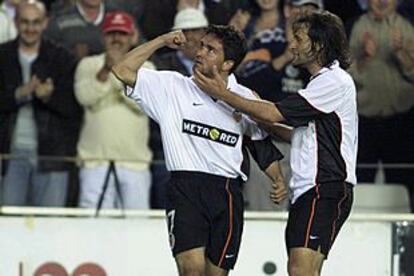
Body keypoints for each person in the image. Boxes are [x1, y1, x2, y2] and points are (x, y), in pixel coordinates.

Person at [112, 25, 287, 275]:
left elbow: (258, 142)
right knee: (191, 270)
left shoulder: (244, 96)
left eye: (210, 49)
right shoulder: (172, 86)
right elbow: (122, 70)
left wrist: (277, 178)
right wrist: (160, 39)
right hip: (185, 188)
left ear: (227, 64)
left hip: (227, 191)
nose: (200, 52)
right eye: (202, 45)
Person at [193, 11, 357, 276]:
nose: (291, 45)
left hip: (325, 186)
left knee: (300, 269)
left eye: (298, 38)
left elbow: (272, 113)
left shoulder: (333, 82)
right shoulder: (321, 83)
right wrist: (259, 117)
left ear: (319, 45)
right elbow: (297, 134)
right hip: (309, 189)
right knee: (302, 270)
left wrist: (223, 94)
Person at [0, 0, 81, 206]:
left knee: (51, 224)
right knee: (9, 224)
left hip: (52, 157)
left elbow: (74, 107)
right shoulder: (2, 56)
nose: (30, 28)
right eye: (25, 22)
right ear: (16, 23)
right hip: (9, 157)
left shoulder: (62, 58)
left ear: (45, 23)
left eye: (36, 22)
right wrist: (20, 93)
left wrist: (48, 97)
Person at [74, 11, 153, 209]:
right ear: (103, 37)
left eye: (122, 33)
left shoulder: (147, 67)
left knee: (137, 230)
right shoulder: (88, 64)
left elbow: (144, 104)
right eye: (111, 33)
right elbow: (85, 97)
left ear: (133, 36)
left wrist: (116, 72)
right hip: (94, 162)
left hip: (135, 163)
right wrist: (106, 70)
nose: (117, 39)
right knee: (93, 230)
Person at [348, 0, 414, 211]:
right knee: (357, 182)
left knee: (405, 182)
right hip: (362, 122)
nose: (382, 1)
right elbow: (342, 77)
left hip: (400, 121)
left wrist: (402, 53)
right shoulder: (353, 26)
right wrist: (365, 58)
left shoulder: (408, 27)